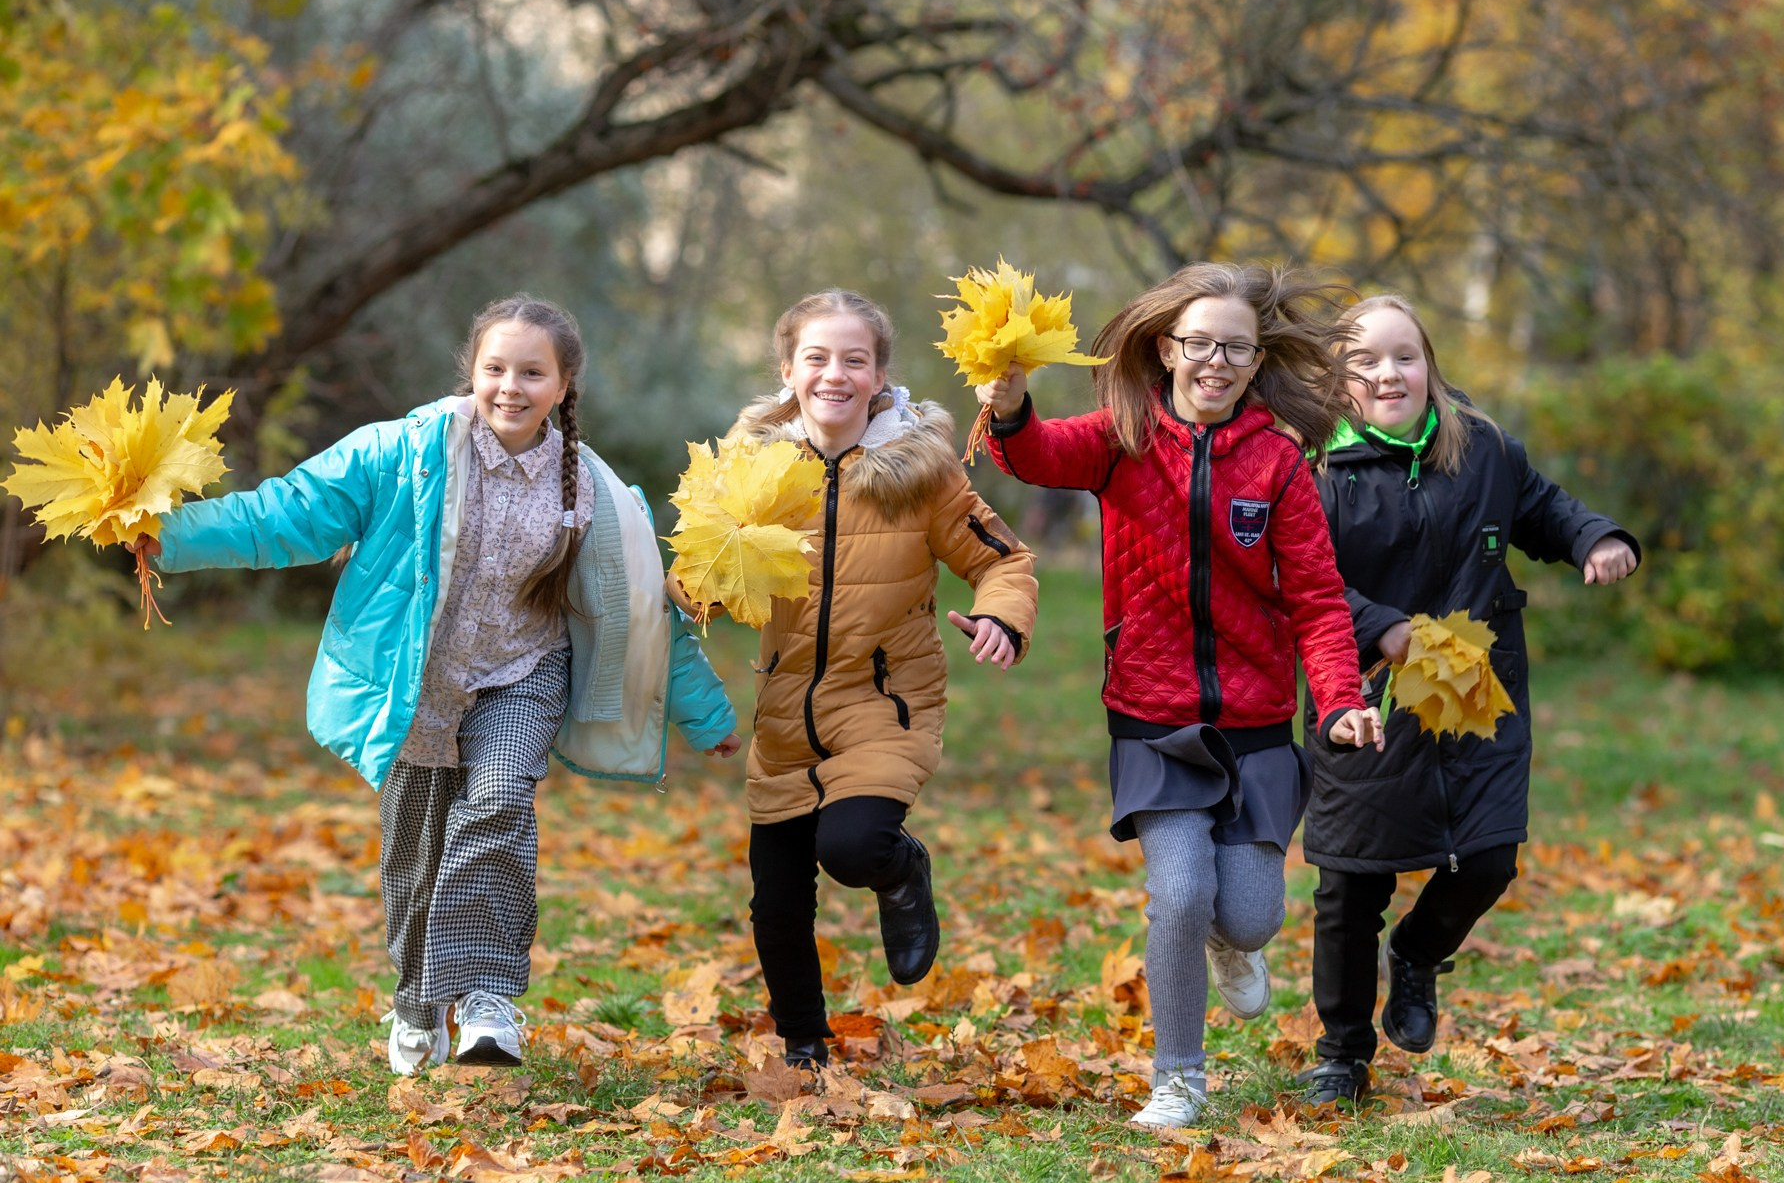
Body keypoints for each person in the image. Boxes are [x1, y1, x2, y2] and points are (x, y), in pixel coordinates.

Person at [141, 296, 739, 1075]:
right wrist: (170, 538)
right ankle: (419, 1000)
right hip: (415, 685)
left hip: (522, 677)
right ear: (473, 373)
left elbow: (645, 610)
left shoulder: (590, 491)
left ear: (564, 386)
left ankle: (490, 1003)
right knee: (414, 858)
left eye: (533, 373)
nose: (511, 388)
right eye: (496, 368)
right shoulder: (403, 454)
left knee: (497, 803)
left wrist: (707, 716)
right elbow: (288, 512)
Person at [977, 262, 1383, 1130]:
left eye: (1235, 347)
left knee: (1249, 914)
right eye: (1200, 343)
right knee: (1181, 892)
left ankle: (1230, 951)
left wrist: (1341, 701)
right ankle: (1178, 1078)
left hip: (1257, 723)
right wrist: (1010, 405)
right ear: (1166, 348)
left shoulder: (1277, 462)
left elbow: (1316, 598)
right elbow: (1034, 454)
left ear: (1253, 357)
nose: (1217, 362)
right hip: (1153, 717)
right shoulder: (1122, 436)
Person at [678, 289, 1037, 1073]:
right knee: (776, 905)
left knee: (852, 845)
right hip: (783, 711)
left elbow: (1001, 560)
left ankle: (901, 868)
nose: (833, 374)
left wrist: (1003, 618)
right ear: (787, 370)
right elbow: (697, 576)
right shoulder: (751, 474)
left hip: (886, 702)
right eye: (816, 357)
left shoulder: (922, 475)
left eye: (854, 360)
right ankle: (804, 1045)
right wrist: (676, 590)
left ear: (879, 377)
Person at [1297, 294, 1640, 1106]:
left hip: (1471, 684)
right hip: (1363, 692)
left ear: (1431, 366)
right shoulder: (1309, 470)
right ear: (1335, 378)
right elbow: (1299, 583)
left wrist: (1597, 537)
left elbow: (1543, 509)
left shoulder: (1480, 447)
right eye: (1366, 360)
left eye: (1405, 356)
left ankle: (1417, 956)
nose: (1389, 373)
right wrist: (1376, 626)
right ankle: (1341, 1055)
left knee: (1487, 856)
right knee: (1352, 885)